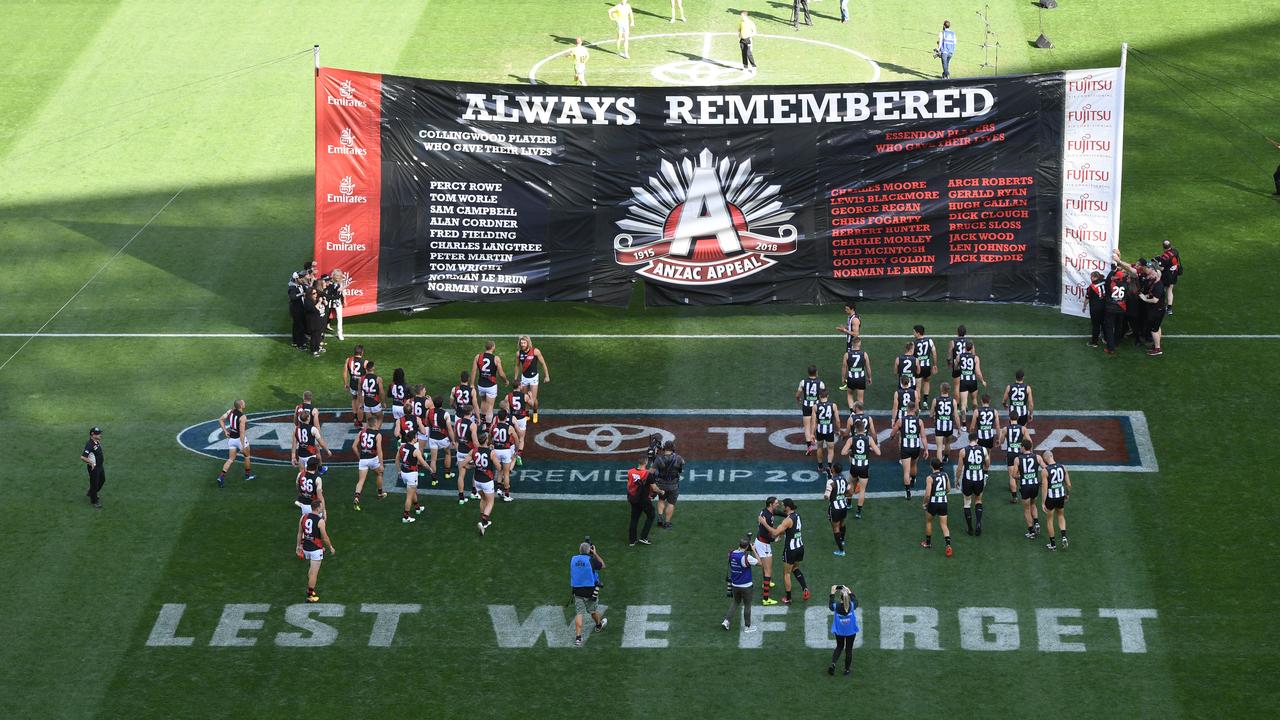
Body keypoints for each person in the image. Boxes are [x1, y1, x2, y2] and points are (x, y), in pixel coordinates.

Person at [768, 499, 810, 605]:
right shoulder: (797, 515)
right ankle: (805, 588)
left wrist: (764, 523)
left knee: (787, 573)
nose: (781, 506)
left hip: (790, 550)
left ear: (787, 507)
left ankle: (788, 598)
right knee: (795, 568)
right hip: (800, 547)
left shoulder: (787, 520)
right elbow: (791, 528)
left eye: (783, 505)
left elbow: (775, 532)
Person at [296, 499, 335, 603]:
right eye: (321, 506)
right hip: (315, 550)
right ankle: (309, 595)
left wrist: (298, 546)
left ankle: (310, 589)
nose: (322, 507)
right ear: (317, 508)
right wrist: (330, 546)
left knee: (311, 571)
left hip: (306, 548)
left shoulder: (303, 517)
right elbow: (325, 537)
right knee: (314, 574)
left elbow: (300, 533)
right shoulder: (320, 521)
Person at [570, 541, 608, 646]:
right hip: (590, 591)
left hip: (577, 590)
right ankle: (599, 625)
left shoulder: (573, 559)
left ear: (579, 550)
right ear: (589, 550)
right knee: (593, 611)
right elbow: (603, 565)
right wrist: (595, 553)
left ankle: (578, 638)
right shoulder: (591, 560)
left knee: (579, 613)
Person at [841, 419, 880, 520]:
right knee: (862, 490)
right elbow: (878, 453)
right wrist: (869, 448)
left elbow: (843, 452)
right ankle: (858, 512)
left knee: (851, 485)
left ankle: (849, 503)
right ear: (864, 428)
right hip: (864, 467)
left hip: (854, 466)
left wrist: (851, 450)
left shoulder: (851, 439)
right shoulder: (869, 439)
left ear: (855, 429)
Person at [722, 538, 760, 632]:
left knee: (735, 602)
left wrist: (746, 548)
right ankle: (747, 627)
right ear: (747, 547)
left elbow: (736, 553)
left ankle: (726, 621)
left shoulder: (731, 554)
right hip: (746, 586)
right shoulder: (747, 557)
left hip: (735, 585)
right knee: (747, 605)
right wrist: (754, 550)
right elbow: (760, 563)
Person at [890, 401, 925, 499]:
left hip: (905, 448)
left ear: (906, 408)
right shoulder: (919, 421)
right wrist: (926, 449)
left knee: (906, 471)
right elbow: (923, 437)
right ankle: (913, 479)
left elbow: (893, 433)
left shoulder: (901, 420)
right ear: (914, 409)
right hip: (916, 447)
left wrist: (892, 437)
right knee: (914, 465)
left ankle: (908, 492)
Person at [217, 399, 255, 487]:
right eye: (243, 403)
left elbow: (220, 419)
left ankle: (221, 476)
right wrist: (242, 445)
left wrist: (225, 431)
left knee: (230, 459)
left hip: (231, 440)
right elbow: (242, 432)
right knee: (247, 456)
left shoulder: (230, 411)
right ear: (241, 406)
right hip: (239, 440)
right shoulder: (243, 417)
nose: (245, 403)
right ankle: (247, 476)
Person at [626, 455, 663, 546]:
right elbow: (654, 488)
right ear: (646, 462)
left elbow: (629, 484)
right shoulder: (648, 474)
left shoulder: (630, 472)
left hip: (633, 499)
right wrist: (661, 491)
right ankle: (643, 537)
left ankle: (632, 540)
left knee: (634, 519)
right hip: (644, 500)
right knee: (651, 515)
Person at [1039, 450, 1072, 550]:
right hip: (1061, 495)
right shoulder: (1063, 467)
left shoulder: (1045, 470)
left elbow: (1044, 488)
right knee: (1061, 516)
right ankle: (1064, 537)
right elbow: (1069, 484)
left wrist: (1043, 502)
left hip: (1051, 498)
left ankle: (1053, 544)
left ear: (1044, 459)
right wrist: (1067, 494)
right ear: (1052, 455)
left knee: (1050, 520)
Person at [920, 458, 953, 556]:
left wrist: (924, 503)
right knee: (944, 525)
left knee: (929, 521)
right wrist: (942, 494)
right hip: (943, 502)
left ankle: (928, 543)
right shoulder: (945, 475)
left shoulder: (930, 478)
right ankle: (948, 545)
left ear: (931, 466)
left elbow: (927, 495)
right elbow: (948, 489)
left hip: (933, 504)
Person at [957, 435, 989, 536]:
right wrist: (985, 471)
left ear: (968, 440)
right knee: (978, 500)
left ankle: (970, 528)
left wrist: (957, 479)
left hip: (967, 480)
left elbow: (959, 468)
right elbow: (987, 463)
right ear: (977, 440)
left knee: (967, 503)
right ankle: (978, 523)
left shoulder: (963, 451)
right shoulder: (983, 449)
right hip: (979, 479)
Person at [473, 340, 508, 424]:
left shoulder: (478, 356)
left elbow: (474, 371)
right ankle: (488, 428)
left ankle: (483, 424)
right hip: (491, 386)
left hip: (481, 384)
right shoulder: (496, 358)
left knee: (483, 402)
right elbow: (501, 374)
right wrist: (506, 380)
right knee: (490, 406)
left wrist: (471, 384)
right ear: (493, 347)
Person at [352, 420, 385, 511]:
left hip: (363, 459)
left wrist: (359, 456)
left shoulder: (361, 432)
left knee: (361, 481)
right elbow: (379, 450)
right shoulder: (378, 435)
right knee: (379, 474)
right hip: (373, 459)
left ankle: (356, 498)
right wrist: (381, 464)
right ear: (375, 423)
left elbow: (354, 446)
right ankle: (380, 493)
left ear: (367, 424)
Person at [753, 497, 781, 605]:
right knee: (768, 570)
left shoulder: (765, 511)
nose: (777, 504)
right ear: (771, 504)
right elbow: (765, 533)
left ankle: (765, 583)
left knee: (765, 568)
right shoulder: (768, 517)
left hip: (759, 541)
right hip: (764, 544)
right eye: (776, 503)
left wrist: (786, 515)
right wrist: (774, 539)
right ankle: (766, 599)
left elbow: (776, 512)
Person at [827, 584, 859, 676]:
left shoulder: (836, 606)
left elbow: (830, 606)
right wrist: (849, 592)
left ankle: (833, 664)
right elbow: (856, 601)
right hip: (851, 632)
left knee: (839, 646)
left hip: (840, 631)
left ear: (840, 598)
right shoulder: (852, 606)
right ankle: (847, 670)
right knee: (849, 650)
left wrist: (832, 593)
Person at [516, 335, 549, 423]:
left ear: (528, 343)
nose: (522, 344)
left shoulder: (535, 351)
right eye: (521, 343)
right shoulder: (519, 353)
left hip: (533, 378)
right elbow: (517, 366)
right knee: (525, 398)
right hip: (524, 378)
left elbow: (543, 363)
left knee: (533, 400)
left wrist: (547, 376)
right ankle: (526, 415)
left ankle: (535, 413)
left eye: (524, 343)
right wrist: (516, 378)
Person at [652, 440, 685, 528]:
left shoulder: (658, 459)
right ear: (673, 448)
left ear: (664, 448)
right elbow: (682, 466)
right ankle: (667, 523)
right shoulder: (678, 458)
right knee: (671, 504)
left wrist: (653, 458)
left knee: (661, 500)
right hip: (673, 485)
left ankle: (659, 518)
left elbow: (652, 472)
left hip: (661, 484)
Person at [468, 440, 498, 535]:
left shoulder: (474, 450)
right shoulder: (491, 452)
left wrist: (474, 466)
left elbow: (465, 463)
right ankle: (484, 521)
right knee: (490, 502)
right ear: (486, 441)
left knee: (483, 499)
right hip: (487, 481)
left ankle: (483, 520)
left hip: (477, 480)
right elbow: (498, 466)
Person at [425, 396, 455, 487]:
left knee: (433, 460)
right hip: (443, 438)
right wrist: (453, 440)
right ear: (441, 404)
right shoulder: (446, 414)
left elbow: (427, 423)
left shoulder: (428, 412)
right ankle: (447, 473)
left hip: (433, 438)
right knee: (447, 453)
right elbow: (449, 429)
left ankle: (434, 480)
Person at [397, 436, 428, 524]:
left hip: (404, 472)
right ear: (413, 439)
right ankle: (405, 517)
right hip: (411, 474)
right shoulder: (416, 450)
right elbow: (423, 463)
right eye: (416, 437)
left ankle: (417, 507)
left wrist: (399, 471)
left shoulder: (402, 447)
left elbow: (397, 459)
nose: (417, 438)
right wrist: (431, 470)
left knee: (412, 491)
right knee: (409, 496)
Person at [489, 409, 518, 502]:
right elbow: (516, 440)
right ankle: (506, 495)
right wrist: (516, 451)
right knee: (506, 473)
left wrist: (491, 444)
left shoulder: (493, 427)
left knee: (499, 470)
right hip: (506, 451)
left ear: (497, 417)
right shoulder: (509, 427)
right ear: (506, 417)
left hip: (496, 451)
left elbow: (489, 439)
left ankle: (498, 488)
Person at [453, 405, 480, 504]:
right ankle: (474, 492)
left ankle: (461, 497)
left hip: (460, 450)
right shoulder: (472, 425)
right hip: (470, 452)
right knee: (476, 471)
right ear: (471, 412)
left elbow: (455, 438)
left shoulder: (457, 422)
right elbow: (475, 442)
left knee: (461, 475)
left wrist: (457, 447)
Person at [954, 338, 986, 421]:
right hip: (973, 381)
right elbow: (978, 372)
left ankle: (964, 424)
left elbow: (955, 367)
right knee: (974, 400)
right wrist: (982, 381)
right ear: (972, 348)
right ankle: (976, 418)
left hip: (963, 381)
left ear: (964, 347)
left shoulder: (959, 356)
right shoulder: (975, 358)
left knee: (963, 404)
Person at [999, 418, 1030, 504]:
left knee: (1011, 476)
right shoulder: (1023, 428)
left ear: (1009, 419)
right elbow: (1029, 441)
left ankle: (1014, 496)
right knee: (1020, 473)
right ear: (1017, 419)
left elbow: (1001, 442)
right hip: (1020, 453)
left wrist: (1003, 436)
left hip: (1011, 454)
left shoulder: (1005, 429)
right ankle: (1023, 490)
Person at [824, 463, 852, 556]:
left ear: (834, 470)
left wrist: (827, 496)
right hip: (843, 506)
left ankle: (841, 550)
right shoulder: (844, 479)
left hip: (835, 508)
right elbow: (850, 492)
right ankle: (842, 540)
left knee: (836, 528)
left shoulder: (830, 481)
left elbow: (827, 496)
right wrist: (842, 495)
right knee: (842, 524)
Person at [1101, 262, 1129, 355]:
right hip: (1121, 309)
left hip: (1111, 308)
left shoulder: (1110, 284)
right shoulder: (1125, 284)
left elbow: (1108, 279)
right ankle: (1117, 343)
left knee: (1109, 328)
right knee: (1119, 326)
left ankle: (1111, 348)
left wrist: (1113, 271)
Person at [1016, 441, 1042, 538]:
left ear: (1023, 447)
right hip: (1035, 485)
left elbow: (1014, 475)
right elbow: (1045, 468)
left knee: (1027, 509)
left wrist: (1022, 476)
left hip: (1025, 486)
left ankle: (1031, 532)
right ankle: (1036, 523)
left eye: (1020, 447)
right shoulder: (1038, 457)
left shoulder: (1018, 459)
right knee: (1033, 504)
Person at [796, 364, 824, 455]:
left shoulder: (803, 382)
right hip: (816, 406)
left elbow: (798, 394)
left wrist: (798, 399)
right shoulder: (821, 383)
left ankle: (809, 447)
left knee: (807, 427)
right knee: (814, 423)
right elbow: (823, 396)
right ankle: (813, 438)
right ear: (816, 372)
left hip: (806, 406)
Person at [813, 388, 840, 476]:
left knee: (819, 447)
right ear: (827, 396)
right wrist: (838, 430)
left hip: (820, 430)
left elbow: (814, 422)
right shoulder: (833, 405)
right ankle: (829, 466)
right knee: (830, 449)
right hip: (829, 430)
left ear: (819, 396)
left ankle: (820, 466)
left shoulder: (815, 406)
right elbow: (837, 420)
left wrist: (812, 434)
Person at [503, 384, 532, 463]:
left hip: (512, 419)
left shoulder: (507, 396)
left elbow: (506, 409)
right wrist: (531, 396)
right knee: (521, 438)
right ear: (519, 386)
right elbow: (532, 404)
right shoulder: (525, 396)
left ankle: (510, 453)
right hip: (521, 419)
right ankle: (518, 455)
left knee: (511, 436)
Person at [839, 336, 871, 407]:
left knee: (850, 395)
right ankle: (860, 414)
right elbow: (868, 368)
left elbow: (844, 368)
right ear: (860, 343)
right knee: (860, 399)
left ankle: (852, 412)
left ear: (852, 344)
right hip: (861, 379)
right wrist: (869, 378)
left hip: (851, 379)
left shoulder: (847, 355)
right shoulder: (864, 354)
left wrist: (843, 378)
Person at [931, 384, 959, 461]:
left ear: (941, 389)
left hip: (939, 426)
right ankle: (946, 457)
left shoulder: (935, 400)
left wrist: (934, 416)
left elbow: (931, 414)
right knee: (947, 444)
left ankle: (939, 466)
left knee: (939, 448)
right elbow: (956, 416)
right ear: (948, 390)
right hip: (949, 427)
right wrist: (959, 429)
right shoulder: (953, 401)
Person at [912, 325, 938, 407]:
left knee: (918, 387)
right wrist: (935, 365)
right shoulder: (930, 341)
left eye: (914, 332)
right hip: (927, 366)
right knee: (927, 382)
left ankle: (918, 405)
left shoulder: (914, 343)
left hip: (918, 368)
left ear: (918, 333)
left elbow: (911, 356)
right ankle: (925, 401)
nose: (913, 333)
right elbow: (934, 353)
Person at [80, 426, 106, 509]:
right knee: (94, 484)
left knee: (102, 480)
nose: (100, 435)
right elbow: (83, 457)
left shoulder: (97, 441)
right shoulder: (89, 445)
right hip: (94, 468)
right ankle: (94, 501)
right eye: (98, 434)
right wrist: (91, 463)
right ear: (92, 434)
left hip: (100, 466)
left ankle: (91, 492)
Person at [287, 264, 311, 350]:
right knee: (299, 327)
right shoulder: (292, 288)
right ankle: (300, 344)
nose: (303, 280)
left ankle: (295, 341)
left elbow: (309, 289)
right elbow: (293, 297)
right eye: (302, 279)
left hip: (301, 309)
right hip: (296, 310)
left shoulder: (301, 285)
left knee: (297, 326)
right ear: (297, 279)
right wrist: (302, 294)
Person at [342, 345, 367, 427]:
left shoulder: (349, 360)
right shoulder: (365, 362)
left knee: (354, 398)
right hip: (361, 386)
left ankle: (355, 417)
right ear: (362, 352)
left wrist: (345, 383)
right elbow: (368, 375)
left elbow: (345, 372)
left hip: (352, 383)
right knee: (360, 403)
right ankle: (359, 421)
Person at [358, 360, 385, 432]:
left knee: (368, 421)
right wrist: (383, 402)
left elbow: (360, 392)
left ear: (366, 369)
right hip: (375, 403)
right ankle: (375, 432)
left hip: (367, 403)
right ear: (373, 368)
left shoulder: (361, 379)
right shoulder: (378, 379)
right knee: (380, 417)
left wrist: (361, 403)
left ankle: (369, 434)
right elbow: (381, 392)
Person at [1156, 240, 1182, 314]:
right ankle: (1169, 309)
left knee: (1162, 290)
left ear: (1163, 247)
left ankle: (1160, 306)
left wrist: (1157, 264)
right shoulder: (1176, 251)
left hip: (1166, 276)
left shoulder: (1165, 256)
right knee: (1170, 290)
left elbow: (1161, 268)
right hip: (1174, 274)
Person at [1084, 270, 1107, 347]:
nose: (1090, 278)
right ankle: (1106, 339)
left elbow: (1087, 299)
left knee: (1096, 325)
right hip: (1104, 307)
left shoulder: (1091, 287)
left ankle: (1094, 342)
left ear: (1094, 277)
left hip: (1095, 308)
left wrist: (1084, 306)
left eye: (1091, 277)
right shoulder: (1104, 282)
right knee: (1104, 324)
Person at [303, 285, 327, 357]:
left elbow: (324, 304)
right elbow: (314, 309)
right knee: (314, 336)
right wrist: (319, 302)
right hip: (312, 322)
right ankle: (314, 350)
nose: (316, 294)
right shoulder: (307, 302)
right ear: (309, 294)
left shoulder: (315, 299)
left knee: (318, 335)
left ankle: (318, 347)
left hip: (318, 321)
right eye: (314, 293)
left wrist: (324, 301)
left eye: (316, 293)